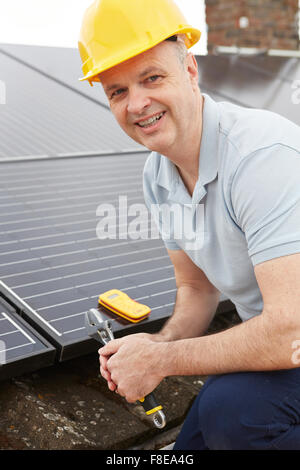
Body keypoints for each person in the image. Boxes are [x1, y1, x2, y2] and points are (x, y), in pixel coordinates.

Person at [78, 0, 300, 450]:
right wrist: (152, 348)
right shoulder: (158, 176)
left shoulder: (262, 157)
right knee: (188, 448)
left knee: (232, 417)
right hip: (281, 350)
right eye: (117, 91)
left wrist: (161, 358)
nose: (137, 103)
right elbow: (197, 290)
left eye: (152, 78)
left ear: (191, 69)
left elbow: (291, 330)